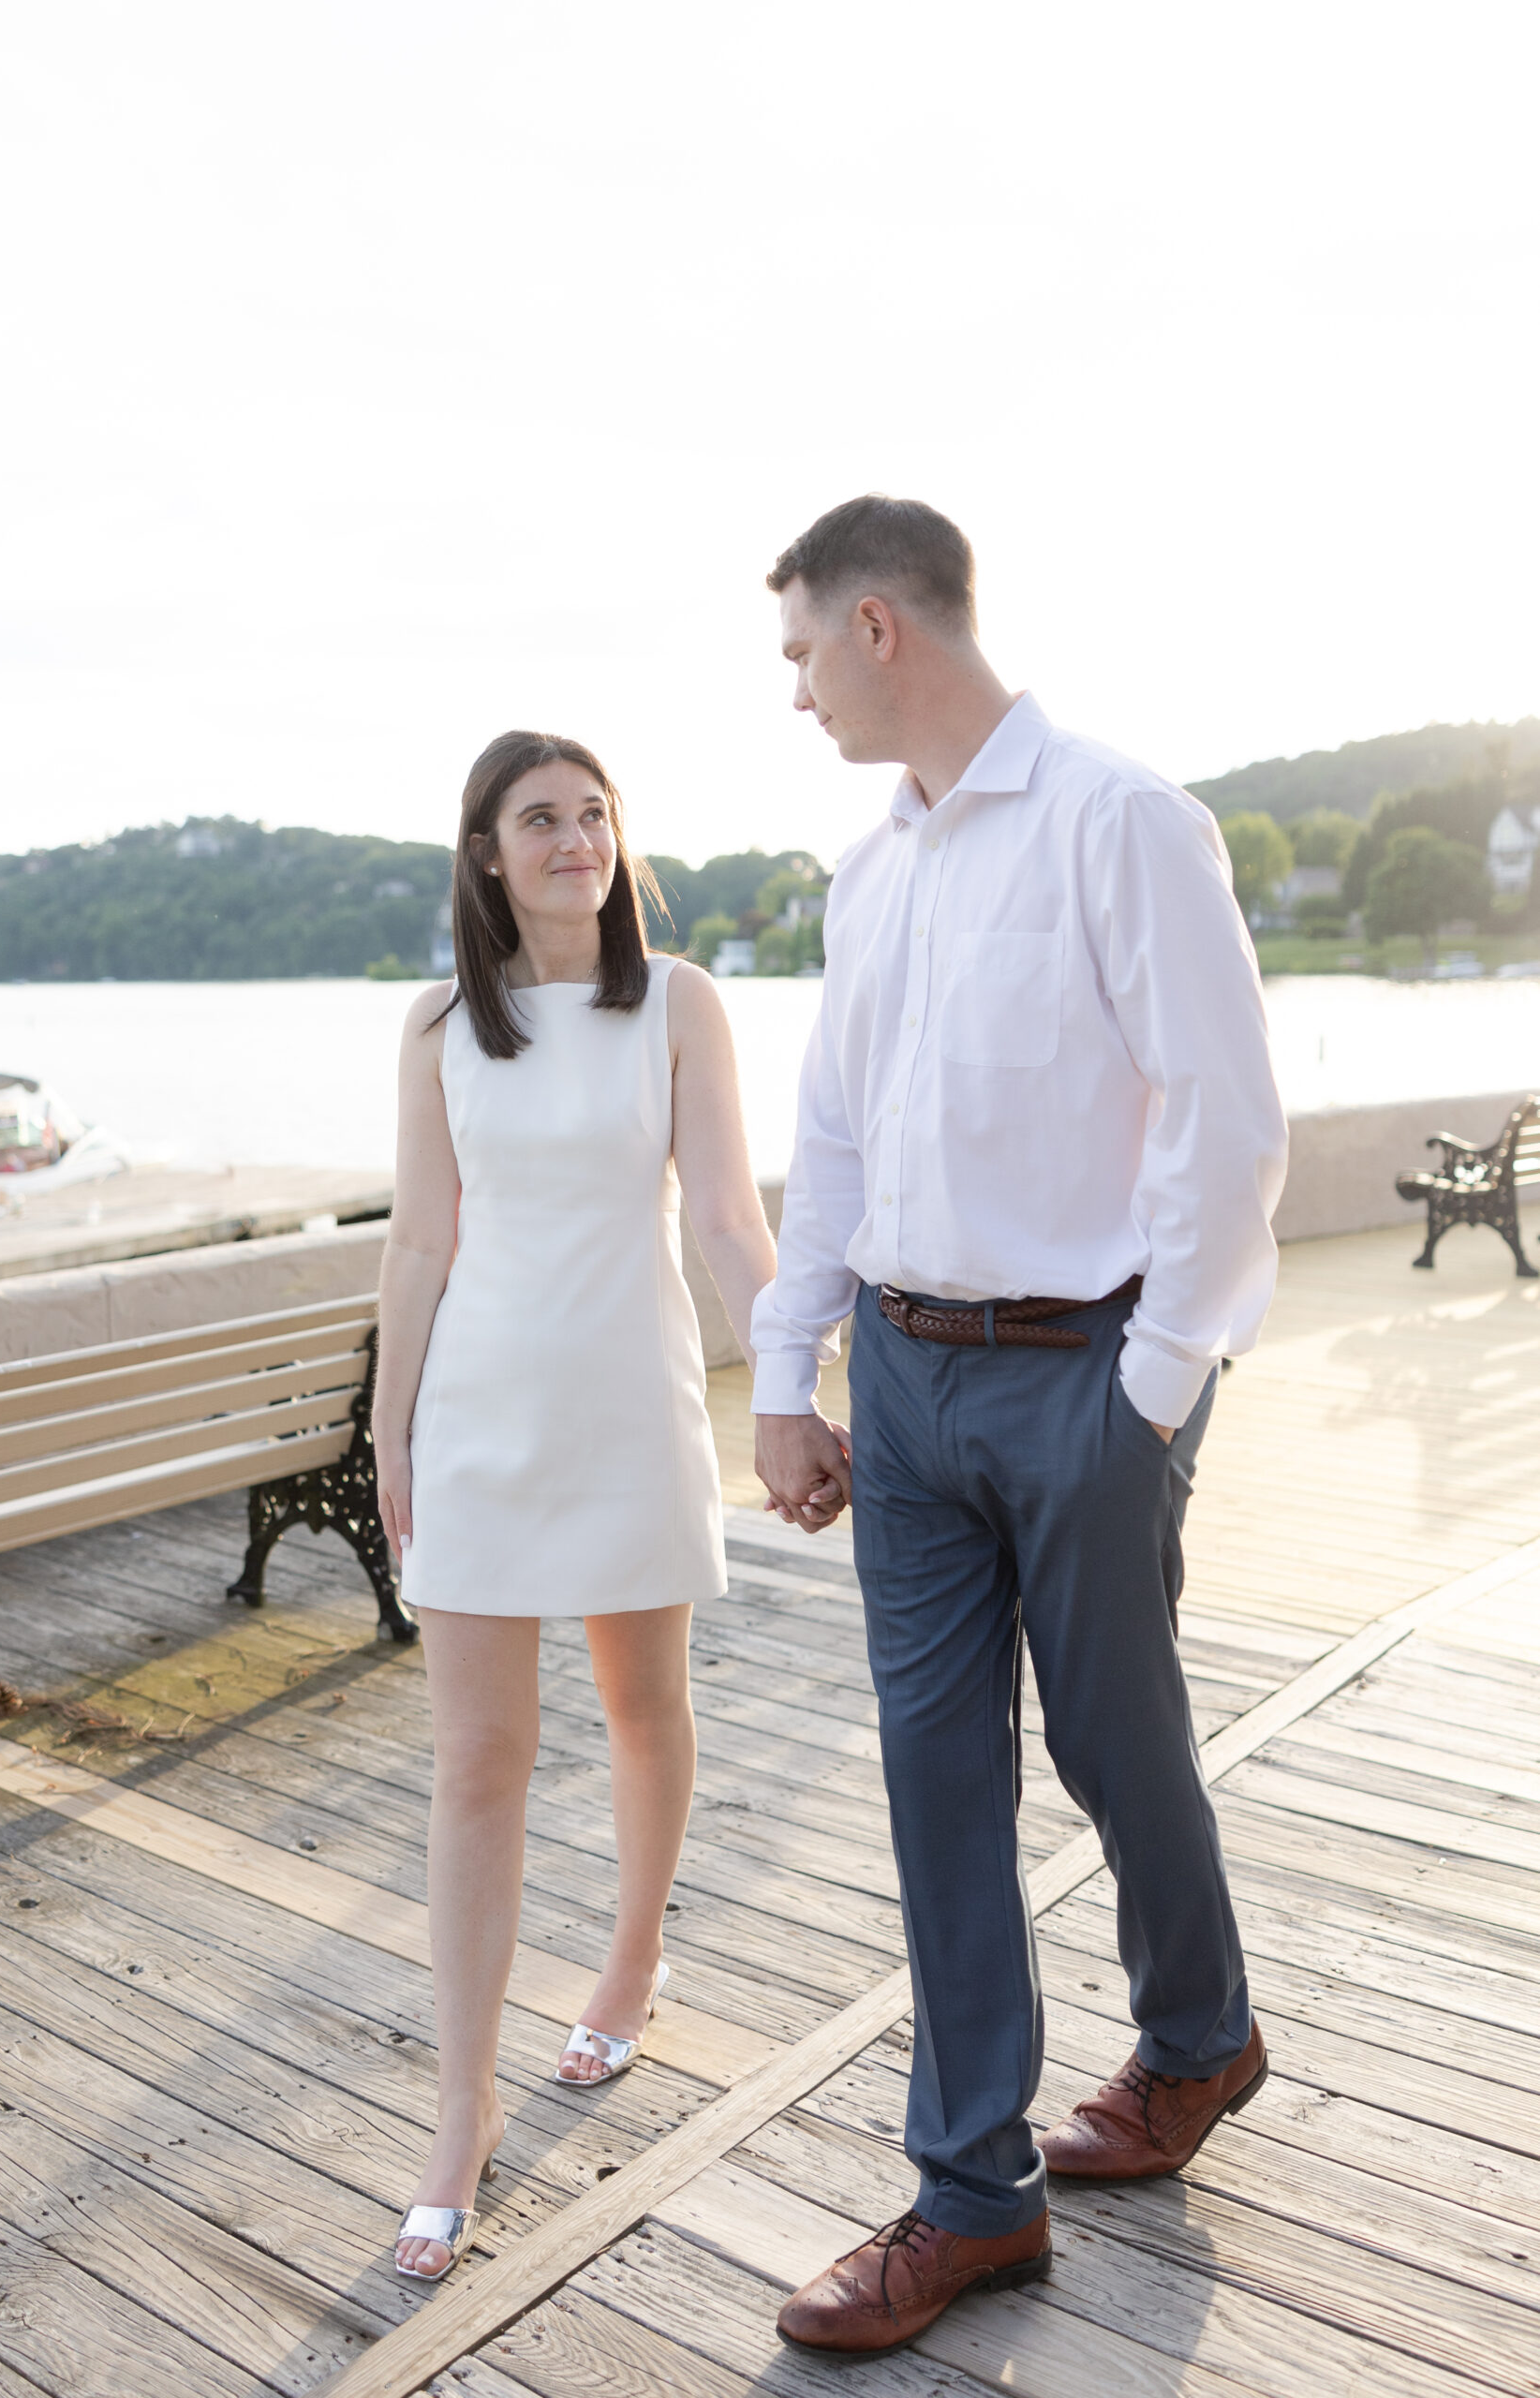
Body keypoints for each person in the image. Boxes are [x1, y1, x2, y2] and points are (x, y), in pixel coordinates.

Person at [749, 497, 1288, 2358]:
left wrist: (1143, 1394)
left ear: (881, 625)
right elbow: (831, 1146)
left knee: (1112, 1745)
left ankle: (1199, 2034)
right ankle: (971, 2193)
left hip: (1086, 1370)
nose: (797, 687)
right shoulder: (863, 873)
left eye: (805, 648)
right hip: (899, 1385)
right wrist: (785, 1373)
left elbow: (1226, 1124)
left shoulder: (1122, 821)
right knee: (931, 1774)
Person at [375, 730, 837, 2285]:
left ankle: (629, 1961)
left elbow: (722, 1213)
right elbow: (421, 1246)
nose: (573, 839)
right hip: (479, 1425)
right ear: (488, 855)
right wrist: (390, 1430)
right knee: (473, 1764)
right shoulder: (437, 1024)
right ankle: (461, 2106)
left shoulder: (680, 1002)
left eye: (594, 815)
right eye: (539, 819)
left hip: (632, 1410)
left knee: (645, 1706)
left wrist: (794, 1377)